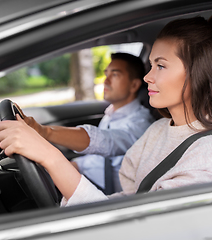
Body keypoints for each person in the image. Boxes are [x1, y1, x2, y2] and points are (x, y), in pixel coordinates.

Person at [0, 13, 212, 207]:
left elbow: (149, 228)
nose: (147, 77)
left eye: (160, 66)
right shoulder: (158, 130)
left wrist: (50, 157)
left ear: (199, 74)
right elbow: (130, 201)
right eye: (151, 64)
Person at [13, 52, 154, 193]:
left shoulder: (141, 124)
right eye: (106, 74)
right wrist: (72, 165)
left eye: (115, 75)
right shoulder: (111, 114)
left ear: (134, 85)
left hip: (107, 196)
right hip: (87, 179)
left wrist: (43, 131)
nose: (106, 80)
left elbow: (107, 142)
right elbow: (95, 160)